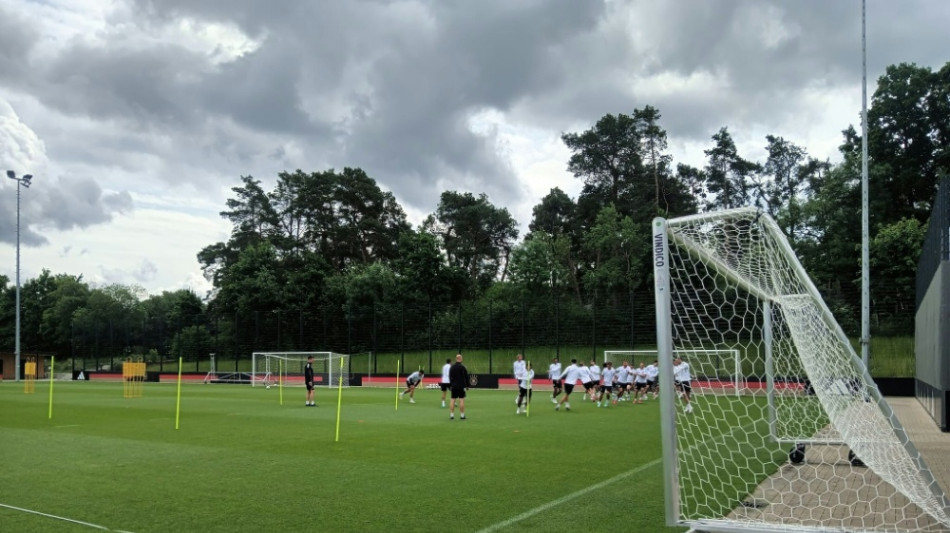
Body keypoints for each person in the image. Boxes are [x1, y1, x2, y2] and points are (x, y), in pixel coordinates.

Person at [449, 354, 470, 420]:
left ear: (456, 359)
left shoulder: (452, 367)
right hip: (461, 386)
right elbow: (466, 377)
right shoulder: (463, 367)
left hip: (454, 386)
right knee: (461, 400)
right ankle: (462, 415)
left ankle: (452, 415)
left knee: (452, 400)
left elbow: (450, 377)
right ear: (460, 359)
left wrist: (451, 385)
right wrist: (467, 386)